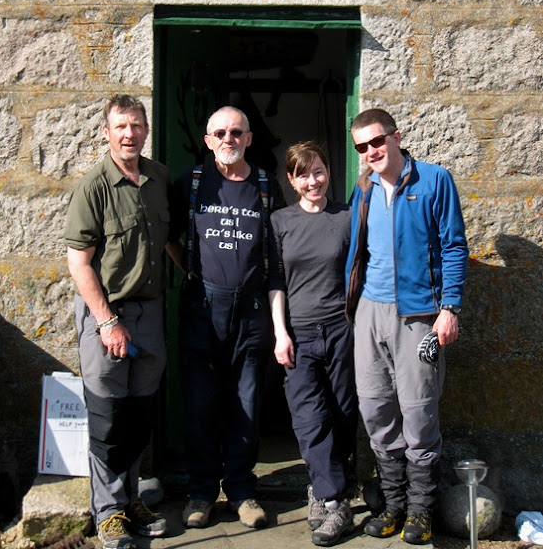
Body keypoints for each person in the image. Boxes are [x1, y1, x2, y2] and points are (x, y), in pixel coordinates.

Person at [345, 108, 468, 545]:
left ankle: (421, 512)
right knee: (376, 409)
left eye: (377, 141)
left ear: (397, 137)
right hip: (369, 313)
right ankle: (393, 505)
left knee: (418, 412)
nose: (371, 152)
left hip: (419, 316)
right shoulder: (363, 190)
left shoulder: (434, 180)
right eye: (362, 147)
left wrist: (449, 308)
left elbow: (454, 245)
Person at [169, 106, 284, 530]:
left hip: (251, 308)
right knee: (200, 403)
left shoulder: (267, 187)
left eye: (236, 132)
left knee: (246, 402)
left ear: (249, 139)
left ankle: (242, 491)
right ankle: (200, 492)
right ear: (207, 139)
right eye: (219, 132)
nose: (228, 139)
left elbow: (278, 251)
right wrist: (193, 272)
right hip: (202, 306)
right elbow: (167, 234)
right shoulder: (191, 182)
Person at [64, 94, 171, 549]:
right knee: (108, 419)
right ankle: (107, 512)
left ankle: (129, 500)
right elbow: (79, 262)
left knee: (139, 414)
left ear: (146, 130)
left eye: (136, 125)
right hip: (107, 316)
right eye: (120, 126)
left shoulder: (159, 178)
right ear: (107, 132)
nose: (129, 134)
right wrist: (107, 322)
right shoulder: (94, 187)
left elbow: (169, 241)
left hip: (150, 315)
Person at [268, 141, 357, 547]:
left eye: (318, 171)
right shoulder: (280, 222)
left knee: (341, 411)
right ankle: (332, 498)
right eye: (303, 174)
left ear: (328, 173)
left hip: (340, 330)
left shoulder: (347, 218)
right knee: (309, 418)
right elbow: (276, 283)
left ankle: (327, 490)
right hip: (299, 333)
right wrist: (280, 333)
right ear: (291, 180)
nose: (312, 181)